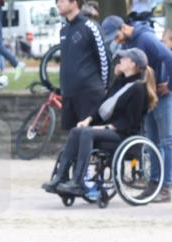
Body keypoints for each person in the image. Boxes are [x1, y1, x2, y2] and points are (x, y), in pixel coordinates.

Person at [43, 48, 156, 201]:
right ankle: (60, 177)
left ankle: (78, 181)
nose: (120, 61)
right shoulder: (120, 82)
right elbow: (103, 105)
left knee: (87, 133)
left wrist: (104, 127)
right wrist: (89, 119)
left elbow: (130, 122)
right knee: (77, 130)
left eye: (124, 59)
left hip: (124, 135)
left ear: (133, 64)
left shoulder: (137, 88)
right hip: (110, 130)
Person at [104, 15, 172, 203]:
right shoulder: (126, 43)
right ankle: (154, 184)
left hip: (164, 93)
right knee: (151, 140)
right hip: (149, 95)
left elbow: (171, 58)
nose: (115, 40)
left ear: (123, 27)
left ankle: (166, 186)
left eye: (115, 35)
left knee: (167, 140)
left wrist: (171, 85)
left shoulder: (145, 38)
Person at [55, 0, 109, 132]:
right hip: (69, 93)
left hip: (88, 93)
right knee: (72, 137)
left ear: (74, 3)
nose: (58, 4)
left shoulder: (89, 26)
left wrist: (102, 86)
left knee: (88, 136)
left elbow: (104, 59)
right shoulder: (64, 29)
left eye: (61, 1)